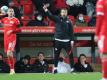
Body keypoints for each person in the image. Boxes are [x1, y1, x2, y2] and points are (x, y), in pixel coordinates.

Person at [43, 4, 74, 73]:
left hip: (67, 42)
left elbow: (71, 32)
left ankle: (72, 69)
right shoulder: (57, 18)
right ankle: (55, 68)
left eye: (65, 12)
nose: (64, 13)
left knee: (70, 55)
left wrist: (72, 41)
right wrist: (46, 9)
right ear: (61, 13)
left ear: (67, 13)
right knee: (56, 56)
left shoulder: (69, 21)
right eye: (62, 12)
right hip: (58, 41)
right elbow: (50, 16)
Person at [0, 8, 21, 75]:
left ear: (13, 13)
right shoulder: (4, 19)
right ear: (7, 12)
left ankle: (12, 68)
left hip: (12, 38)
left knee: (9, 52)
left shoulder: (16, 20)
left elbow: (20, 30)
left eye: (12, 11)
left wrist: (12, 31)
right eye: (10, 11)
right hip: (6, 39)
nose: (11, 12)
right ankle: (12, 70)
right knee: (8, 54)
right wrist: (1, 14)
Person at [95, 0, 107, 80]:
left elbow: (99, 18)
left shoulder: (101, 2)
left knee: (104, 55)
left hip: (104, 31)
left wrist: (96, 33)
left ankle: (105, 77)